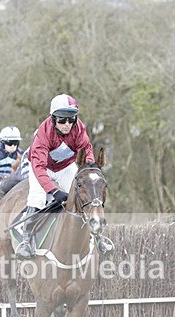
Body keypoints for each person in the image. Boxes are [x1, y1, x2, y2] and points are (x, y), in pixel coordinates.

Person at [14, 94, 113, 259]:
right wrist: (53, 191)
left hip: (65, 167)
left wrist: (88, 168)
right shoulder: (43, 133)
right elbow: (38, 167)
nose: (67, 124)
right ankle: (26, 240)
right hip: (42, 167)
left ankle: (98, 237)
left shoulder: (79, 128)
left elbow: (87, 149)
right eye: (62, 120)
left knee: (84, 196)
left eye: (71, 119)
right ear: (53, 119)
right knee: (37, 197)